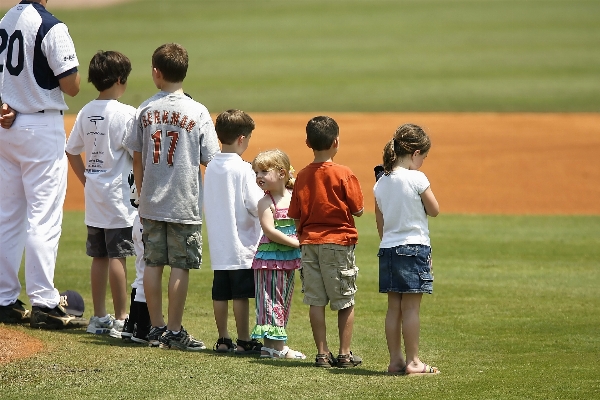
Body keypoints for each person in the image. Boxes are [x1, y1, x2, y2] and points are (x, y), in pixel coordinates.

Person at [123, 43, 219, 351]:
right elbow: (211, 159)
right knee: (180, 264)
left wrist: (141, 193)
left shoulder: (145, 109)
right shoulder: (198, 110)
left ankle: (156, 328)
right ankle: (175, 332)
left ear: (156, 73)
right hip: (183, 202)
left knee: (153, 263)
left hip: (150, 201)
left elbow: (136, 157)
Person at [0, 0, 87, 329]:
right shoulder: (52, 26)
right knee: (44, 216)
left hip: (6, 126)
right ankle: (45, 303)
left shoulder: (5, 20)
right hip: (40, 127)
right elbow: (72, 86)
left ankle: (4, 299)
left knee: (8, 216)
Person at [65, 51, 137, 338]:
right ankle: (121, 317)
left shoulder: (85, 111)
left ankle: (98, 317)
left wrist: (86, 179)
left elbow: (71, 151)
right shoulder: (126, 113)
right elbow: (136, 154)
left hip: (95, 195)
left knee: (99, 256)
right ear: (120, 80)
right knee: (118, 255)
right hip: (118, 197)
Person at [288, 116, 364, 368]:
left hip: (309, 243)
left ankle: (322, 353)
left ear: (308, 142)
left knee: (315, 300)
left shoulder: (301, 176)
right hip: (338, 243)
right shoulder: (344, 173)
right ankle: (344, 353)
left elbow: (296, 214)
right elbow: (359, 209)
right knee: (345, 299)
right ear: (336, 142)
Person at [373, 123, 440, 376]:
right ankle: (414, 362)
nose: (422, 161)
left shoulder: (381, 182)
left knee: (393, 309)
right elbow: (434, 210)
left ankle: (395, 361)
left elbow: (380, 223)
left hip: (388, 248)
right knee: (411, 309)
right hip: (414, 248)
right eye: (423, 156)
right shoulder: (417, 178)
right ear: (414, 153)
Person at [204, 109, 264, 355]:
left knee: (220, 292)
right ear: (241, 138)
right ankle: (243, 339)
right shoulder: (243, 168)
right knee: (240, 294)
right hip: (241, 243)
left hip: (219, 242)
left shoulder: (211, 165)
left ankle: (222, 338)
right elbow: (254, 203)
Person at [250, 150, 306, 359]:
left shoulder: (294, 197)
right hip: (270, 260)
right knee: (269, 301)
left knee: (282, 301)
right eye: (256, 172)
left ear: (282, 173)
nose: (259, 176)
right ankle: (275, 347)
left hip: (290, 260)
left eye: (264, 171)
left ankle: (272, 347)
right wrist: (296, 243)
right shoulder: (265, 202)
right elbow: (270, 231)